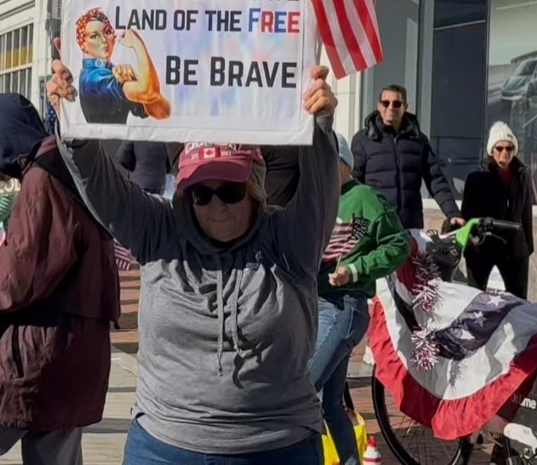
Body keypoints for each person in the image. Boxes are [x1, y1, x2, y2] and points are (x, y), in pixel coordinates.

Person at [48, 55, 339, 464]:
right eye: (201, 192)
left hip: (277, 445)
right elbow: (102, 185)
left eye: (230, 190)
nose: (215, 205)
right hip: (164, 446)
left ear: (254, 186)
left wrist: (320, 122)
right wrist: (73, 121)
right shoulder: (159, 230)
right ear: (184, 192)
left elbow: (320, 193)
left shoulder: (289, 240)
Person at [0, 93, 120, 464]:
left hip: (40, 355)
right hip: (79, 353)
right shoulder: (69, 165)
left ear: (1, 138)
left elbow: (17, 283)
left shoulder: (43, 177)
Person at [310, 133, 410, 465]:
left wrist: (355, 270)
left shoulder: (365, 197)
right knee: (329, 403)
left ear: (342, 164)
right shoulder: (315, 198)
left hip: (344, 306)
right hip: (317, 306)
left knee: (304, 391)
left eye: (324, 162)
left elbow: (399, 244)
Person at [351, 84, 462, 230]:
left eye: (397, 104)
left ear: (405, 107)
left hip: (410, 226)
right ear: (379, 106)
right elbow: (353, 183)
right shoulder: (363, 140)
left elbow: (436, 180)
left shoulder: (418, 140)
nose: (391, 107)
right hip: (376, 225)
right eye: (386, 103)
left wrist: (453, 213)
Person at [460, 122, 535, 298]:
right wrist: (469, 244)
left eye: (509, 148)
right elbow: (468, 214)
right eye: (499, 148)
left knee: (518, 299)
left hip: (513, 245)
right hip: (484, 244)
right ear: (491, 150)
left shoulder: (522, 175)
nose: (505, 152)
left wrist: (528, 245)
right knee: (475, 297)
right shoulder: (477, 177)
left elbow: (526, 211)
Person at [75, 9, 170, 123]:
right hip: (101, 140)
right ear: (83, 44)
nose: (104, 40)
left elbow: (162, 112)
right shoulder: (92, 78)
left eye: (108, 32)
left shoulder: (112, 71)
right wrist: (138, 45)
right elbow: (149, 92)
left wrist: (136, 79)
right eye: (94, 36)